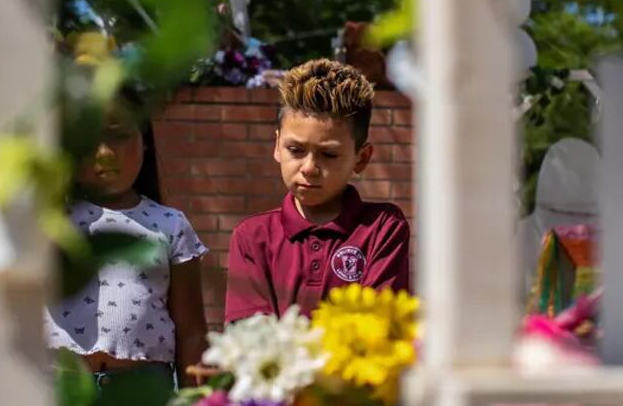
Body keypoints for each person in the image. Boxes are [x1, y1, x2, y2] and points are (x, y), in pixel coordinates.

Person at [224, 59, 411, 323]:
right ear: (277, 145)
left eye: (329, 154)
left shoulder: (383, 228)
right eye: (296, 150)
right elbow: (254, 343)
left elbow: (375, 332)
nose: (309, 168)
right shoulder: (252, 237)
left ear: (362, 158)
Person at [47, 91, 209, 388]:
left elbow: (191, 332)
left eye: (119, 135)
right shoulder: (48, 220)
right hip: (56, 392)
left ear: (144, 139)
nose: (105, 153)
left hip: (143, 396)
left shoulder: (171, 225)